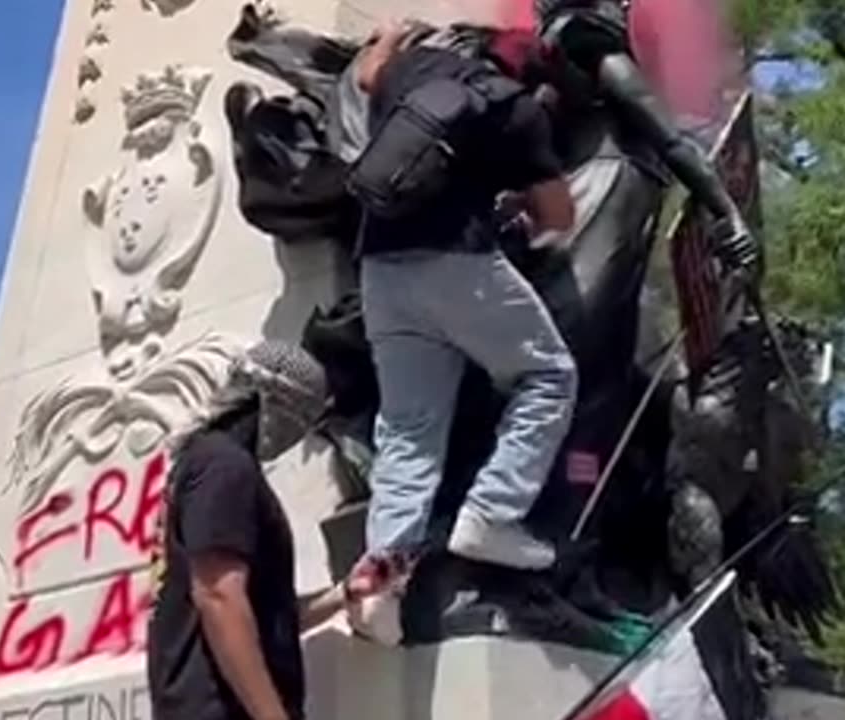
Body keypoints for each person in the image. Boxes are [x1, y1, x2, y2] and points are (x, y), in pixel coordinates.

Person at [349, 19, 579, 579]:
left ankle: (380, 578)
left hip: (379, 270)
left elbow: (365, 76)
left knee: (407, 430)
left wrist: (389, 34)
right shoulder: (516, 109)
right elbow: (560, 217)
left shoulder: (408, 71)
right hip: (457, 263)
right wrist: (519, 200)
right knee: (549, 377)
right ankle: (491, 514)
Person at [147, 340, 391, 720]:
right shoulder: (225, 466)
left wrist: (343, 594)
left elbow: (260, 618)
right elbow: (218, 596)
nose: (297, 436)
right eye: (302, 417)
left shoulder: (207, 464)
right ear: (277, 403)